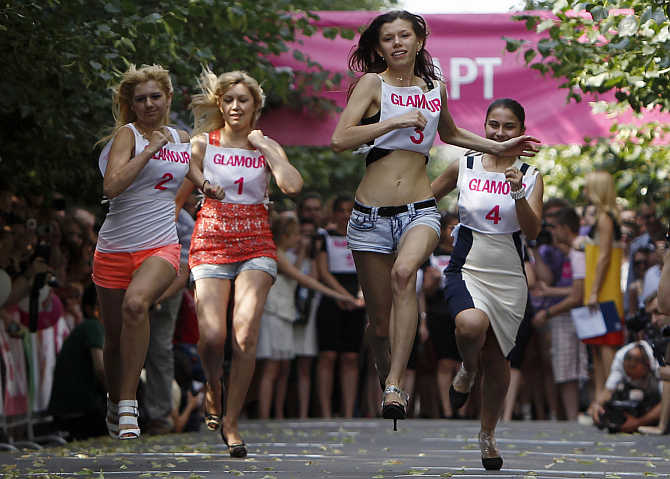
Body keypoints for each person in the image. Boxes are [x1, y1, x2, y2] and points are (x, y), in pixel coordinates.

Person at [330, 10, 539, 431]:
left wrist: (502, 144)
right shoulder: (373, 84)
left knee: (406, 274)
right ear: (379, 47)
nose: (397, 44)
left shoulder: (433, 87)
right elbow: (339, 139)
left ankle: (394, 385)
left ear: (419, 41)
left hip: (419, 208)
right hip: (369, 214)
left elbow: (453, 135)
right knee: (379, 322)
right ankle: (385, 368)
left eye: (405, 35)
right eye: (388, 38)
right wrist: (392, 121)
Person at [175, 68, 303, 457]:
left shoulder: (266, 146)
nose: (234, 106)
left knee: (244, 334)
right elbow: (179, 197)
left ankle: (231, 422)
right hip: (211, 238)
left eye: (242, 100)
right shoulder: (203, 143)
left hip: (256, 241)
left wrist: (264, 147)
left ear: (255, 106)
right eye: (228, 100)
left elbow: (292, 185)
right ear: (219, 103)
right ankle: (213, 388)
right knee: (213, 336)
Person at [93, 64, 224, 440]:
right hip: (114, 247)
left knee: (137, 305)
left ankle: (130, 405)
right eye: (140, 99)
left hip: (161, 245)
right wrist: (148, 150)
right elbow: (112, 186)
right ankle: (114, 399)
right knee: (115, 339)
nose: (149, 104)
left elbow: (185, 169)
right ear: (131, 105)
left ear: (167, 98)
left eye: (155, 97)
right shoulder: (127, 136)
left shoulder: (179, 136)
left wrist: (206, 186)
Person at [431, 98, 543, 469]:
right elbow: (425, 196)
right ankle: (466, 368)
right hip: (466, 267)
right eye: (493, 124)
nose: (499, 133)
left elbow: (533, 230)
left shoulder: (529, 174)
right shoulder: (464, 163)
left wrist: (518, 193)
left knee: (498, 358)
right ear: (484, 126)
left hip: (510, 276)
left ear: (521, 130)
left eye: (508, 126)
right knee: (469, 323)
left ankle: (488, 435)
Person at [256, 215, 357, 419]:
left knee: (283, 367)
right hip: (274, 311)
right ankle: (264, 415)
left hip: (286, 311)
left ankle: (277, 413)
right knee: (271, 368)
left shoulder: (286, 254)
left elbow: (295, 272)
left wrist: (301, 253)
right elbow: (302, 279)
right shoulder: (276, 253)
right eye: (296, 235)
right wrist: (338, 294)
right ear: (285, 235)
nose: (299, 239)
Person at [531, 207, 588, 420]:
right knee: (568, 368)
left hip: (569, 313)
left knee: (569, 369)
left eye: (554, 227)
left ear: (564, 228)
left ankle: (572, 417)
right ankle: (570, 417)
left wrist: (547, 312)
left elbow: (578, 293)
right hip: (567, 313)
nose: (552, 232)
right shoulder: (569, 252)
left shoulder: (578, 250)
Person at [315, 195, 366, 419]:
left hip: (358, 300)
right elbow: (323, 271)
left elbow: (368, 268)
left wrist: (361, 295)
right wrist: (342, 295)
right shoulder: (324, 236)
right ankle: (326, 412)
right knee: (328, 356)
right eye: (342, 210)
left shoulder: (363, 237)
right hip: (332, 298)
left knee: (351, 358)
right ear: (334, 213)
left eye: (350, 210)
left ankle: (348, 412)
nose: (346, 215)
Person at [582, 171, 625, 417]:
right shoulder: (602, 217)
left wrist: (595, 291)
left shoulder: (605, 218)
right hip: (598, 292)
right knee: (597, 348)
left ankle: (609, 399)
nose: (586, 192)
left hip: (604, 293)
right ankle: (599, 400)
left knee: (606, 346)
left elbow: (605, 257)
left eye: (589, 187)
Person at [48, 285, 106, 441]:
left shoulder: (90, 328)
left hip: (69, 409)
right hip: (78, 411)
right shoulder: (93, 326)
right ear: (90, 309)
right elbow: (100, 370)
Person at [591, 341, 663, 433]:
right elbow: (608, 391)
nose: (631, 379)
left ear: (646, 367)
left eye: (634, 377)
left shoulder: (659, 363)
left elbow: (666, 402)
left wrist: (638, 422)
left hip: (656, 389)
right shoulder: (619, 358)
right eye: (628, 375)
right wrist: (598, 405)